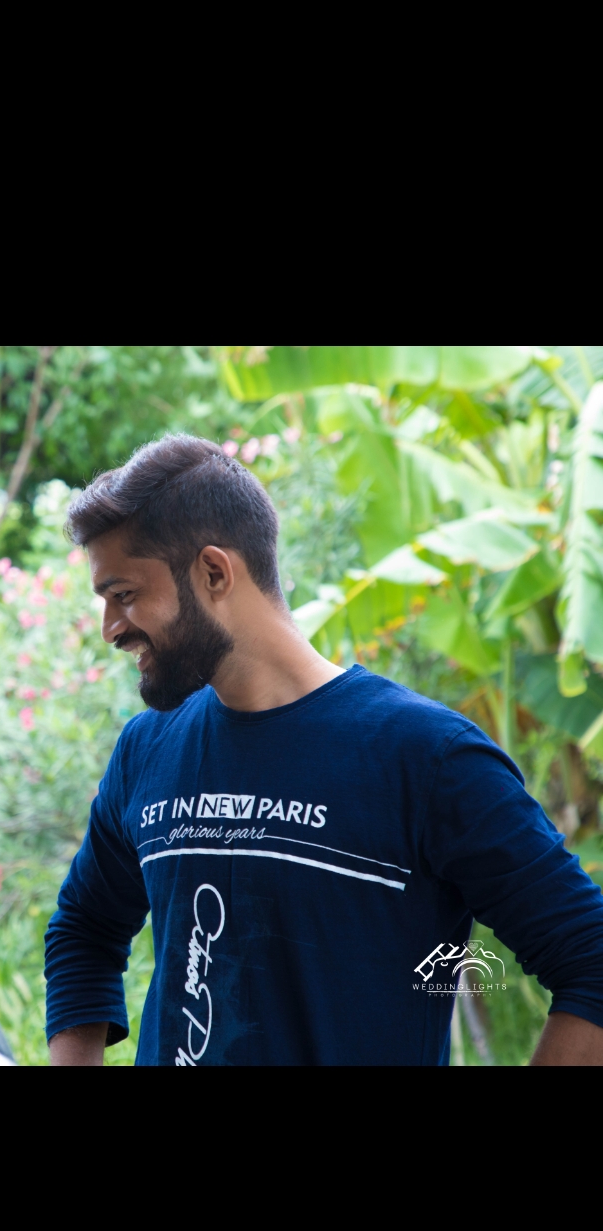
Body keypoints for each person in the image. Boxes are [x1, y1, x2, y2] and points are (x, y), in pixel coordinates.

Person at [44, 435, 603, 1067]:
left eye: (124, 595)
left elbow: (590, 958)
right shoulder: (148, 748)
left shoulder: (424, 758)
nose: (110, 629)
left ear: (213, 573)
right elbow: (83, 928)